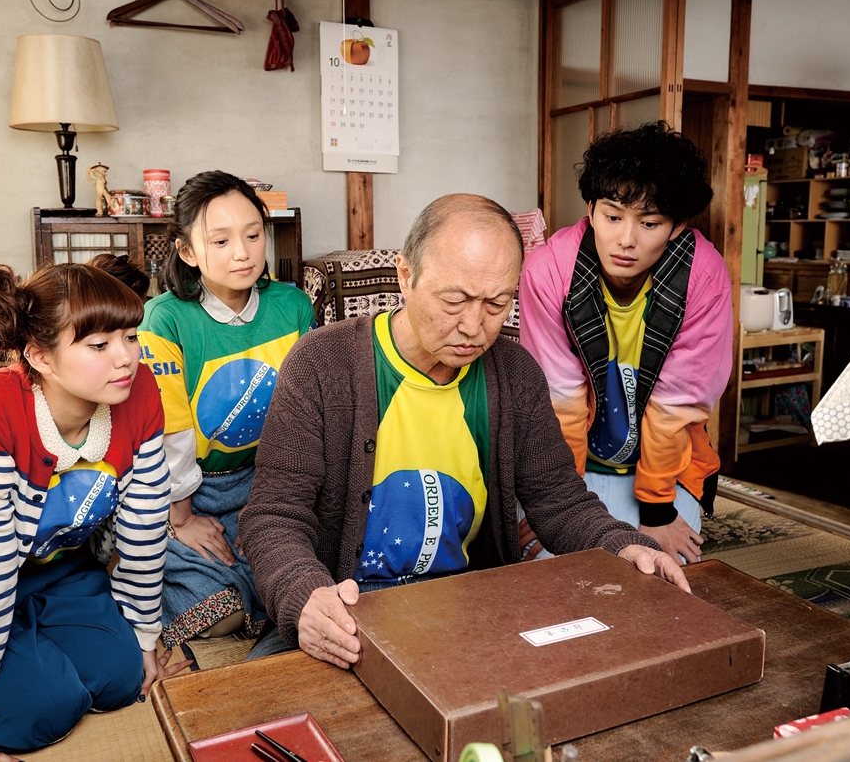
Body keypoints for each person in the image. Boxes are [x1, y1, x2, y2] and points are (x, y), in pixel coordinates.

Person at [238, 193, 688, 670]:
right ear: (406, 275)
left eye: (497, 303)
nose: (474, 326)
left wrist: (622, 542)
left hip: (472, 609)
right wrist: (304, 596)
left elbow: (558, 499)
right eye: (454, 300)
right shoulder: (321, 364)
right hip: (346, 611)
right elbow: (274, 514)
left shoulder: (515, 374)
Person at [0, 261, 183, 761]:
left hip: (60, 568)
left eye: (131, 337)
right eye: (99, 345)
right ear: (40, 356)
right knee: (44, 710)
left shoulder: (139, 392)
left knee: (121, 677)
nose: (126, 358)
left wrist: (146, 639)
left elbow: (145, 527)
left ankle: (39, 649)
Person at [519, 121, 732, 565]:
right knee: (553, 570)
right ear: (591, 210)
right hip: (569, 467)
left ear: (677, 226)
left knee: (660, 575)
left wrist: (657, 511)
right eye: (612, 217)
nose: (626, 240)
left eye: (649, 223)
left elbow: (678, 406)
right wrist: (557, 506)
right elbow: (559, 401)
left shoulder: (703, 278)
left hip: (667, 470)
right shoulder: (549, 271)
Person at [138, 170, 315, 650]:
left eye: (253, 235)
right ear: (187, 252)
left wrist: (284, 500)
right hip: (192, 492)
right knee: (219, 616)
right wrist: (181, 519)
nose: (242, 253)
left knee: (301, 577)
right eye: (221, 241)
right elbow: (170, 432)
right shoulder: (165, 319)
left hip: (273, 481)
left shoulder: (293, 306)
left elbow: (310, 413)